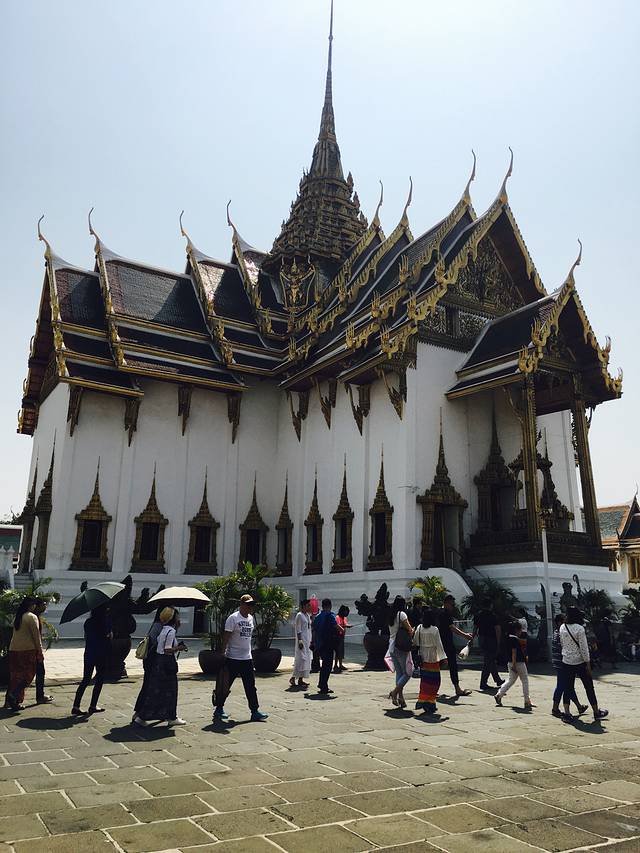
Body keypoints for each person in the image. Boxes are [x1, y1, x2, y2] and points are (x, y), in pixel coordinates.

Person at [213, 594, 268, 722]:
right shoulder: (233, 618)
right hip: (233, 657)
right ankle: (219, 708)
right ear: (241, 604)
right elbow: (226, 636)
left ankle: (254, 711)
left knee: (250, 686)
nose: (250, 607)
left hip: (246, 658)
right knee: (225, 685)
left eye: (252, 605)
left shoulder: (251, 618)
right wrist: (223, 652)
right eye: (248, 604)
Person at [134, 607, 187, 726]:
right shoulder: (171, 631)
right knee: (171, 691)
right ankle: (171, 717)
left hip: (158, 662)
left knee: (155, 691)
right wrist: (179, 648)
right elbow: (167, 649)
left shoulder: (164, 629)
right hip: (167, 663)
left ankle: (142, 716)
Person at [560, 607, 608, 722]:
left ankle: (567, 713)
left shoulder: (562, 627)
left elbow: (562, 643)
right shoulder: (579, 628)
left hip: (567, 661)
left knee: (568, 687)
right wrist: (588, 663)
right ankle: (596, 711)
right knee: (589, 687)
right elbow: (584, 648)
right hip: (580, 661)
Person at [72, 604, 112, 716]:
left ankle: (76, 705)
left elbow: (87, 636)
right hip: (101, 653)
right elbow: (108, 636)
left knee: (85, 679)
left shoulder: (88, 622)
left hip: (89, 653)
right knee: (100, 679)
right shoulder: (105, 621)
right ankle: (93, 705)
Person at [4, 597, 42, 712]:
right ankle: (15, 695)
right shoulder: (31, 617)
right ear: (31, 605)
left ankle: (12, 701)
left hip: (14, 649)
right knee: (28, 676)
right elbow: (36, 636)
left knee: (15, 676)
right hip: (27, 650)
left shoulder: (19, 616)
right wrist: (40, 651)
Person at [551, 613, 587, 718]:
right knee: (562, 686)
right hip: (563, 662)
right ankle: (555, 708)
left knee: (568, 685)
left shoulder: (557, 632)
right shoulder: (561, 633)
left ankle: (579, 706)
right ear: (559, 622)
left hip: (559, 662)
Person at [132, 608, 165, 721]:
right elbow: (161, 645)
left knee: (155, 686)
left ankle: (157, 711)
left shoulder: (159, 625)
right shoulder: (160, 627)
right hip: (154, 660)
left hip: (152, 660)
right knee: (149, 686)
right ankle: (140, 712)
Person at [437, 595, 473, 697]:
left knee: (437, 666)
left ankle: (432, 689)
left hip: (439, 643)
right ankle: (457, 689)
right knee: (452, 665)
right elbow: (452, 627)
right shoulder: (445, 614)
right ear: (446, 603)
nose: (453, 607)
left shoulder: (438, 612)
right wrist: (465, 635)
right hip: (447, 643)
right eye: (452, 605)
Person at [413, 609, 447, 714]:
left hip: (423, 658)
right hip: (433, 657)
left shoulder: (419, 628)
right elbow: (439, 645)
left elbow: (415, 642)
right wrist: (443, 658)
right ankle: (430, 701)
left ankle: (423, 700)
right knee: (435, 681)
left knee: (425, 681)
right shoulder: (434, 629)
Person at [494, 621, 532, 710]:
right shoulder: (514, 639)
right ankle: (527, 700)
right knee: (525, 680)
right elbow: (514, 652)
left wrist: (513, 664)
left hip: (510, 662)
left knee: (511, 680)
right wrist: (514, 664)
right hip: (519, 662)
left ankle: (499, 694)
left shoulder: (507, 638)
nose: (521, 632)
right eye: (520, 630)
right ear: (516, 630)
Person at [386, 596, 413, 708]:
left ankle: (401, 697)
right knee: (408, 672)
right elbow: (410, 630)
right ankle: (394, 692)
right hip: (401, 646)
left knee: (399, 673)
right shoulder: (401, 615)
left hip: (392, 646)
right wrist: (413, 630)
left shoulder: (391, 615)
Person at [313, 598, 340, 695]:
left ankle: (322, 684)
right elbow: (336, 626)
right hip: (328, 643)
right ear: (330, 606)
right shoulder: (330, 615)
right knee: (327, 666)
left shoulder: (317, 616)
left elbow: (314, 629)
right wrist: (342, 629)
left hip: (319, 644)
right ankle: (323, 686)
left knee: (324, 665)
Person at [474, 607, 504, 691]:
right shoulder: (493, 615)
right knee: (488, 661)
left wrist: (472, 638)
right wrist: (498, 642)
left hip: (482, 639)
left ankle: (497, 680)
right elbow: (497, 629)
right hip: (491, 639)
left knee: (490, 660)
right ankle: (483, 683)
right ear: (490, 606)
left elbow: (475, 628)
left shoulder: (478, 615)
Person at [34, 598, 53, 704]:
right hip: (34, 650)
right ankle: (40, 696)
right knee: (39, 672)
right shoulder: (34, 618)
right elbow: (36, 637)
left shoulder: (36, 617)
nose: (45, 607)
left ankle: (40, 695)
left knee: (39, 672)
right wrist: (39, 651)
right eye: (44, 604)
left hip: (33, 649)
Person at [290, 600, 312, 689]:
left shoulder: (307, 615)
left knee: (306, 660)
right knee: (300, 659)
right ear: (303, 606)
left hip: (307, 640)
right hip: (302, 640)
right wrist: (300, 640)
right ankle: (293, 678)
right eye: (307, 605)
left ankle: (300, 679)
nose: (309, 607)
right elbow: (298, 629)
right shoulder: (299, 615)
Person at [334, 606, 351, 672]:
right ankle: (335, 665)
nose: (347, 613)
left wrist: (347, 626)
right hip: (337, 636)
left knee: (341, 651)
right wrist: (346, 626)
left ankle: (340, 664)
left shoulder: (344, 618)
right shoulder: (337, 617)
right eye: (346, 612)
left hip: (342, 636)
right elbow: (338, 625)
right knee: (337, 651)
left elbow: (345, 624)